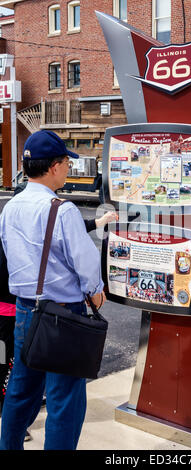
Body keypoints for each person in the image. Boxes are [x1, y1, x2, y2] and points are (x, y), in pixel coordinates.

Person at [0, 130, 113, 450]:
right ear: (53, 166)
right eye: (66, 162)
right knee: (65, 400)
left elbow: (10, 254)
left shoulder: (10, 206)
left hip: (25, 309)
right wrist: (95, 291)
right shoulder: (60, 209)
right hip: (63, 314)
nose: (68, 168)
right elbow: (85, 261)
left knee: (21, 393)